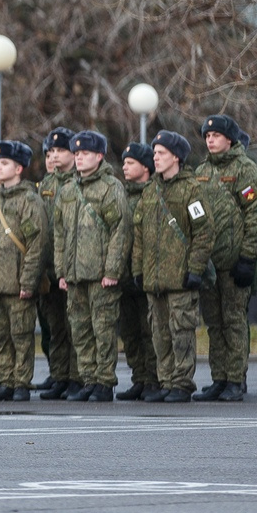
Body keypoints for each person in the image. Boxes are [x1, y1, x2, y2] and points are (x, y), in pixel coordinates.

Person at [132, 130, 214, 403]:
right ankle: (166, 380)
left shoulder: (191, 189)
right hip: (155, 279)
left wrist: (195, 269)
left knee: (181, 333)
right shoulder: (150, 190)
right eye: (154, 153)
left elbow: (203, 232)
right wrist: (138, 269)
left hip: (180, 277)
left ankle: (181, 382)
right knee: (160, 333)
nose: (155, 158)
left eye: (161, 153)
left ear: (176, 157)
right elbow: (140, 233)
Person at [54, 130, 131, 402]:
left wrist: (112, 271)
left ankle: (104, 381)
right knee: (81, 330)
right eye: (76, 154)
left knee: (103, 329)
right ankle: (87, 379)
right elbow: (60, 233)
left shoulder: (110, 188)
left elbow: (119, 231)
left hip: (100, 275)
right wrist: (61, 271)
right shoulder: (67, 191)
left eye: (85, 153)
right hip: (75, 274)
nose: (80, 158)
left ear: (99, 156)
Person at [192, 115, 257, 402]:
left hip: (235, 263)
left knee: (233, 322)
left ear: (229, 139)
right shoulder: (201, 171)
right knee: (214, 323)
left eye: (216, 135)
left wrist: (248, 257)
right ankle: (219, 378)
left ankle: (235, 379)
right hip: (210, 264)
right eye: (207, 136)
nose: (210, 140)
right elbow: (195, 213)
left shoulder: (245, 170)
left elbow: (256, 214)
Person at [0, 141, 46, 402]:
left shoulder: (29, 201)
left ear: (18, 168)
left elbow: (37, 244)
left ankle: (21, 383)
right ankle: (4, 381)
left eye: (4, 164)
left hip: (17, 283)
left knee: (21, 336)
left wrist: (28, 281)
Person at [37, 127, 83, 399]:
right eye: (50, 152)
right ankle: (59, 375)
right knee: (55, 328)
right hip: (49, 268)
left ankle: (77, 376)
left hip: (73, 265)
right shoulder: (46, 184)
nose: (54, 156)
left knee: (74, 326)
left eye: (60, 151)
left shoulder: (79, 181)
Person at [116, 142, 159, 400]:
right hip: (123, 275)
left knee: (149, 330)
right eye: (124, 162)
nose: (125, 167)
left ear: (146, 167)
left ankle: (154, 378)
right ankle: (139, 377)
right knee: (130, 332)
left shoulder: (154, 193)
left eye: (130, 162)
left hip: (146, 274)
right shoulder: (120, 194)